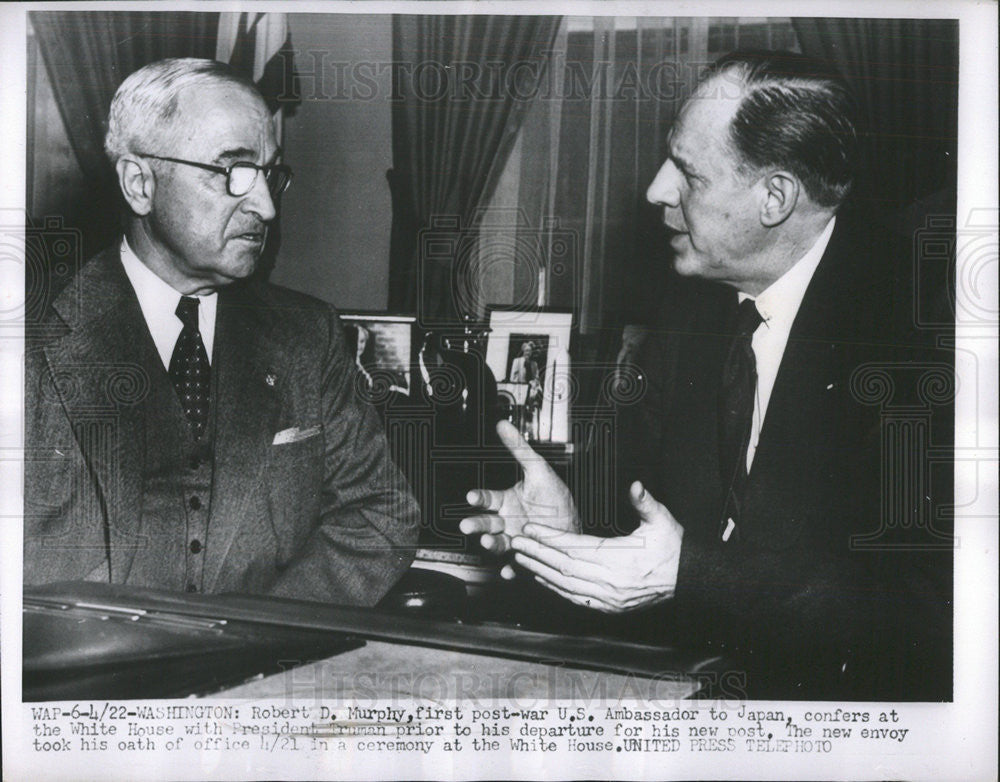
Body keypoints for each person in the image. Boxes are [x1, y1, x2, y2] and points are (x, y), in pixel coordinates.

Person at [461, 51, 953, 699]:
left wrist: (697, 575)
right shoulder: (687, 310)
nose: (656, 190)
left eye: (688, 173)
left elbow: (933, 609)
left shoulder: (927, 328)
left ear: (775, 197)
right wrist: (570, 529)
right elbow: (655, 529)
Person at [24, 58, 420, 605]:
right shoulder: (27, 344)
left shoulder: (308, 336)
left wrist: (259, 634)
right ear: (139, 183)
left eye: (269, 174)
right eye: (232, 170)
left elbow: (380, 513)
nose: (264, 205)